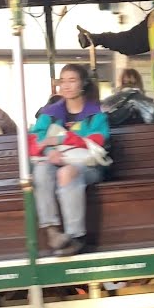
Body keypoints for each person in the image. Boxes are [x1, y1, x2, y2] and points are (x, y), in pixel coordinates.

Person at [27, 64, 110, 256]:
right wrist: (49, 151)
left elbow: (97, 140)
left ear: (83, 84)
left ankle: (76, 237)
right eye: (62, 81)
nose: (66, 86)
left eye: (72, 80)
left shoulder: (96, 113)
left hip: (88, 165)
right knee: (41, 170)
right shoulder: (50, 113)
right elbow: (34, 140)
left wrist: (61, 139)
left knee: (67, 172)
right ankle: (52, 230)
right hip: (55, 161)